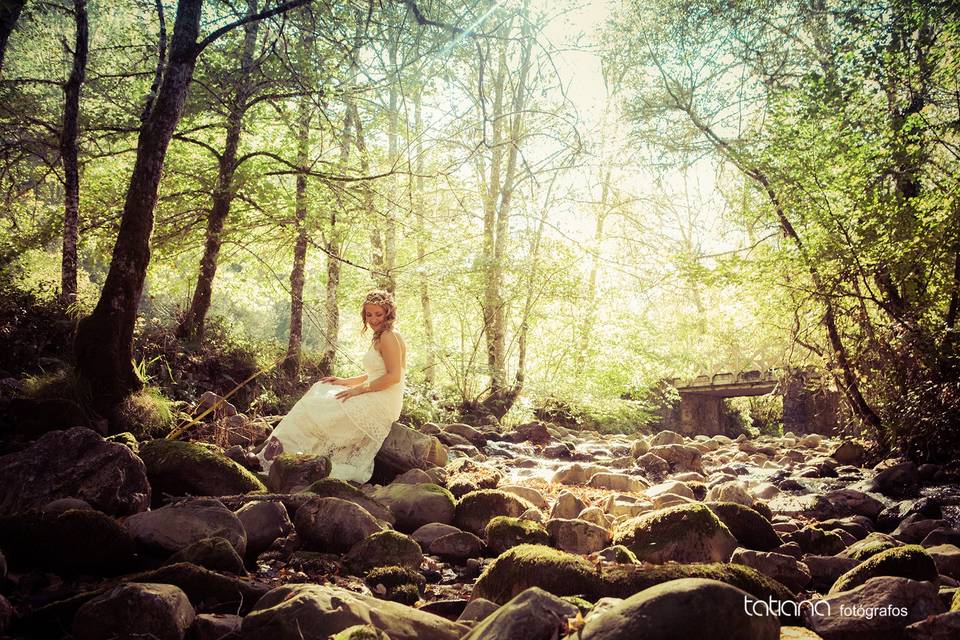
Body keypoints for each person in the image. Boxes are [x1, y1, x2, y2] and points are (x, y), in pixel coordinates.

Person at [258, 290, 406, 483]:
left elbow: (394, 377)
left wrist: (358, 390)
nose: (373, 319)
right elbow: (375, 373)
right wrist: (345, 382)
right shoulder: (385, 335)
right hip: (378, 392)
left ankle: (274, 456)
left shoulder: (388, 336)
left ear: (388, 312)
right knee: (321, 390)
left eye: (378, 314)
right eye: (369, 314)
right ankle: (276, 453)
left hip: (383, 400)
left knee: (319, 407)